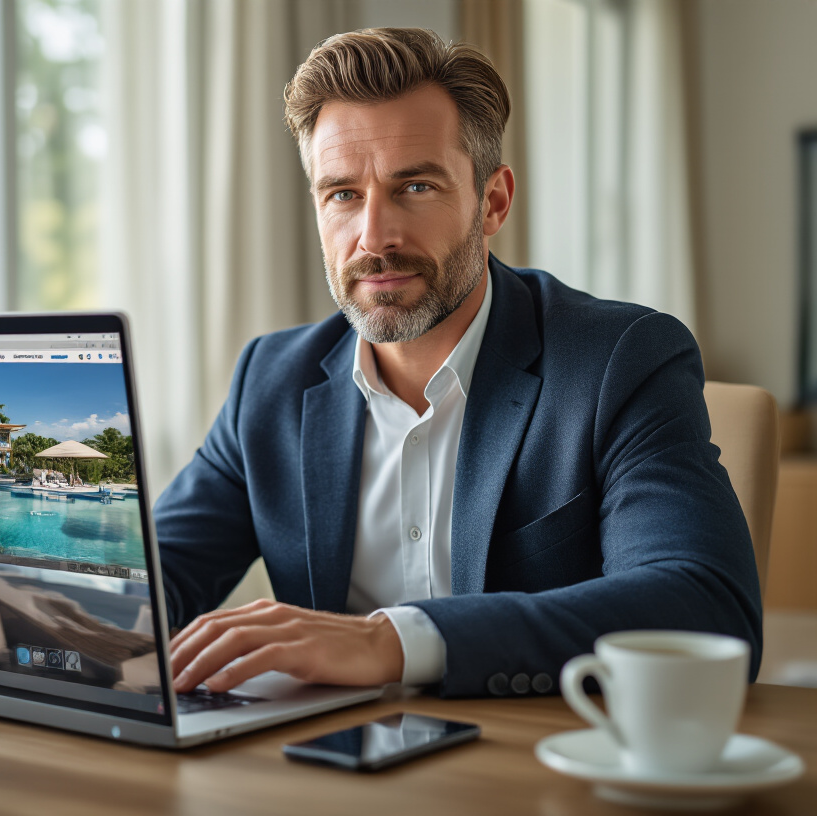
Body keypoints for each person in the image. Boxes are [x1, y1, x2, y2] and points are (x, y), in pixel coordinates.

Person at [156, 27, 762, 699]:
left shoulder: (619, 361)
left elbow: (706, 610)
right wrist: (48, 595)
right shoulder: (270, 379)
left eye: (415, 187)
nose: (374, 237)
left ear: (493, 201)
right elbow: (159, 579)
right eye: (343, 194)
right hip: (325, 770)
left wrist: (390, 641)